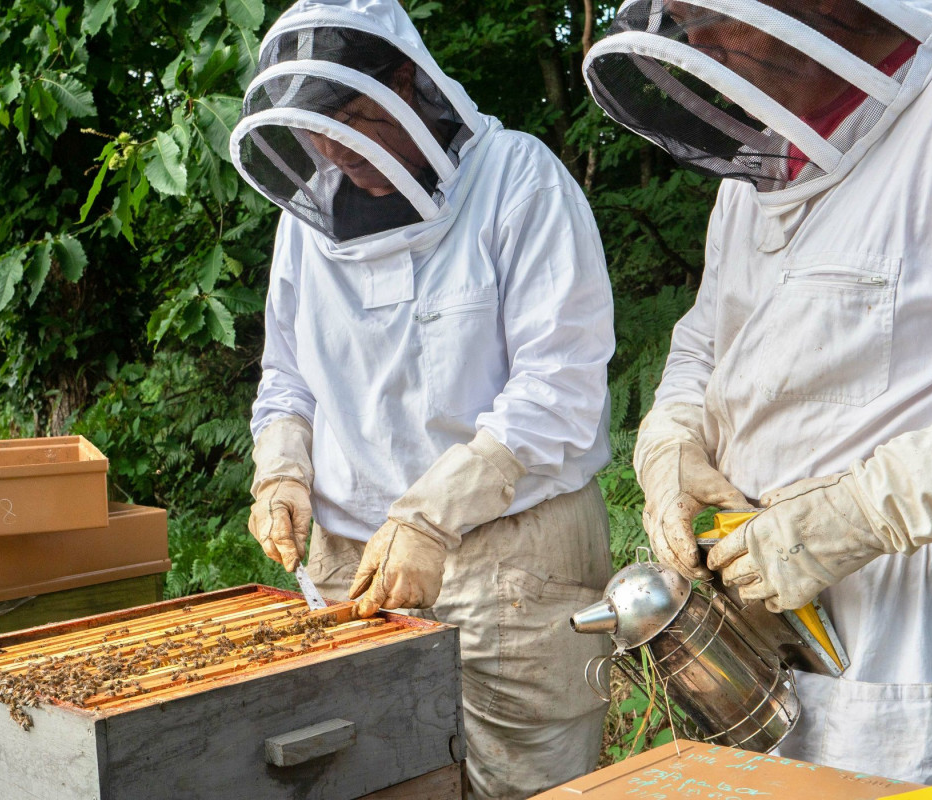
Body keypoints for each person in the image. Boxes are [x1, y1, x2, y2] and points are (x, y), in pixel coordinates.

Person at [582, 0, 932, 785]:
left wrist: (870, 508)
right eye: (676, 18)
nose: (693, 44)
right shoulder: (764, 157)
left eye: (707, 14)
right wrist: (672, 435)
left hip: (928, 609)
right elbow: (709, 334)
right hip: (765, 611)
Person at [229, 1, 616, 796]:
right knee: (382, 778)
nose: (336, 148)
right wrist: (280, 473)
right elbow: (288, 376)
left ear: (408, 82)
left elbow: (560, 385)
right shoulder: (307, 223)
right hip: (352, 572)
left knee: (527, 785)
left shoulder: (517, 178)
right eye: (316, 130)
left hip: (512, 567)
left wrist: (429, 514)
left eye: (353, 116)